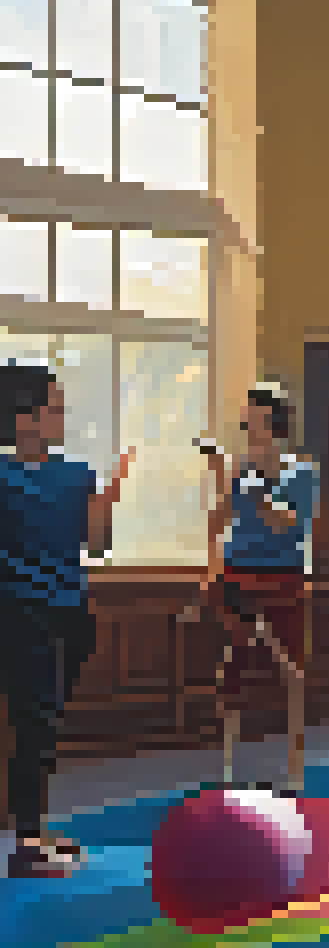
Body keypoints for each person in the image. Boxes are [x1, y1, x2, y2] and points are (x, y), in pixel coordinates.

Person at [0, 363, 134, 878]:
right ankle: (28, 846)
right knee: (34, 727)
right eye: (52, 408)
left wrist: (106, 498)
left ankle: (34, 829)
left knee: (44, 726)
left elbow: (93, 546)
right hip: (21, 616)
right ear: (23, 419)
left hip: (70, 616)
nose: (60, 417)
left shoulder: (76, 473)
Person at [203, 386, 321, 790]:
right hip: (237, 574)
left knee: (290, 670)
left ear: (275, 423)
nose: (249, 427)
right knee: (234, 667)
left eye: (256, 419)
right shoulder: (240, 469)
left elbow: (285, 523)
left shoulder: (301, 472)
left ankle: (293, 768)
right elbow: (219, 521)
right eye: (247, 420)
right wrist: (224, 478)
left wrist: (251, 482)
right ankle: (230, 769)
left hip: (283, 577)